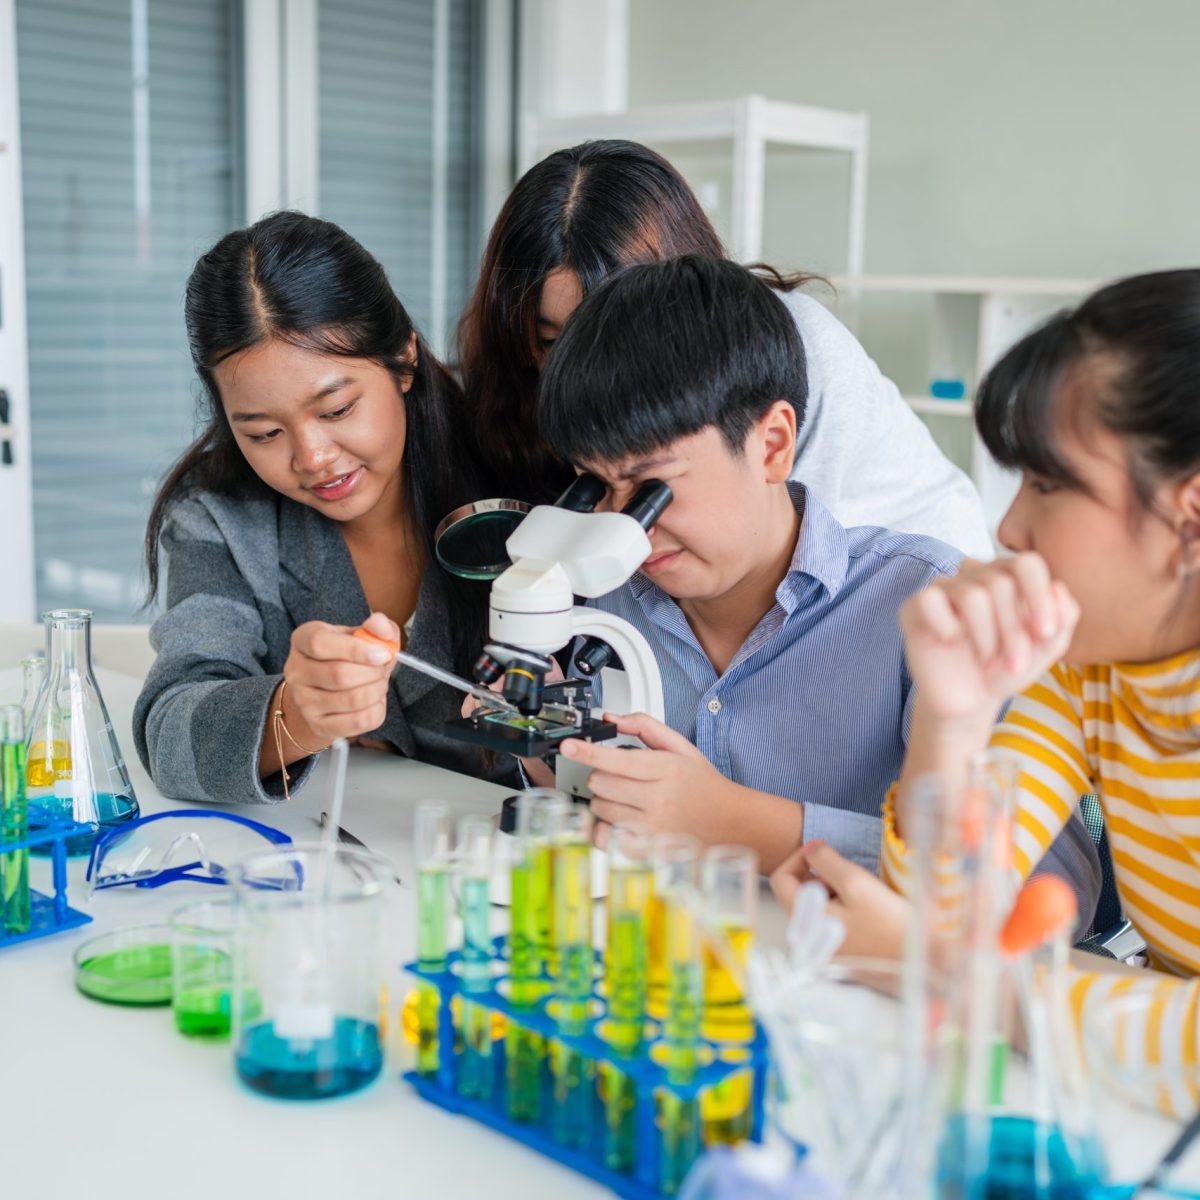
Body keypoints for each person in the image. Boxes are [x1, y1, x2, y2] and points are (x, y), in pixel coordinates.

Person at [528, 254, 1098, 918]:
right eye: (598, 486)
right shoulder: (611, 602)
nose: (627, 526)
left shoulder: (924, 605)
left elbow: (1054, 896)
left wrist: (747, 825)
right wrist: (549, 758)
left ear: (773, 444)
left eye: (652, 488)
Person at [771, 270, 1200, 1109]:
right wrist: (951, 716)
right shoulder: (1093, 670)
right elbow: (944, 908)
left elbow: (932, 954)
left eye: (1048, 483)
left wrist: (948, 978)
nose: (1009, 528)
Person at [457, 138, 992, 558]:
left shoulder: (794, 349)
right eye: (553, 341)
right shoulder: (513, 391)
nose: (580, 371)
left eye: (611, 335)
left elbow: (786, 585)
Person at [134, 212, 510, 804]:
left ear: (403, 360)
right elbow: (171, 734)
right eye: (263, 434)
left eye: (335, 410)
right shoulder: (220, 522)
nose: (312, 458)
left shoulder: (510, 476)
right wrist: (295, 714)